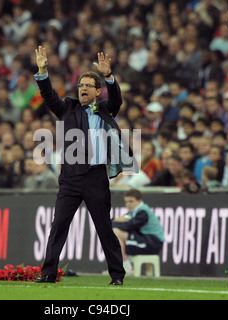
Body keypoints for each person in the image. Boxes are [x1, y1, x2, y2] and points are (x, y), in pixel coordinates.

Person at [33, 46, 137, 285]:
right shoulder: (67, 108)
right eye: (80, 85)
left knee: (103, 228)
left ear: (98, 91)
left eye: (88, 86)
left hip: (95, 177)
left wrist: (109, 76)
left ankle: (117, 276)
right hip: (70, 178)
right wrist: (43, 72)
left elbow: (118, 99)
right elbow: (49, 97)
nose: (83, 89)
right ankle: (48, 273)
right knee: (58, 225)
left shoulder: (104, 109)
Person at [112, 189, 164, 272]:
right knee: (115, 233)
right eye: (126, 202)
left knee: (116, 232)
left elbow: (129, 226)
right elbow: (124, 220)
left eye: (131, 201)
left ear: (139, 200)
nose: (128, 204)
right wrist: (114, 221)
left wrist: (112, 223)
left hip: (152, 242)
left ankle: (126, 266)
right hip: (145, 239)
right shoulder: (133, 212)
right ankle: (124, 264)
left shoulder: (143, 212)